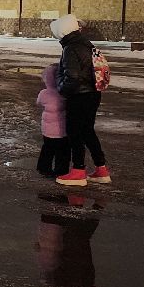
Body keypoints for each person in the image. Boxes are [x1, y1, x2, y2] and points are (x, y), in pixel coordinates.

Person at [50, 14, 110, 186]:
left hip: (79, 95)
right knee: (88, 131)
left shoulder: (71, 48)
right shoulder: (85, 43)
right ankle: (101, 169)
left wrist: (61, 88)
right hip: (92, 93)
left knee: (75, 133)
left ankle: (78, 171)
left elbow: (72, 77)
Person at [35, 63, 70, 179]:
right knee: (63, 151)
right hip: (62, 129)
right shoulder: (64, 94)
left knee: (47, 149)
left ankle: (43, 167)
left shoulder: (43, 93)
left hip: (47, 129)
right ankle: (61, 170)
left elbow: (38, 103)